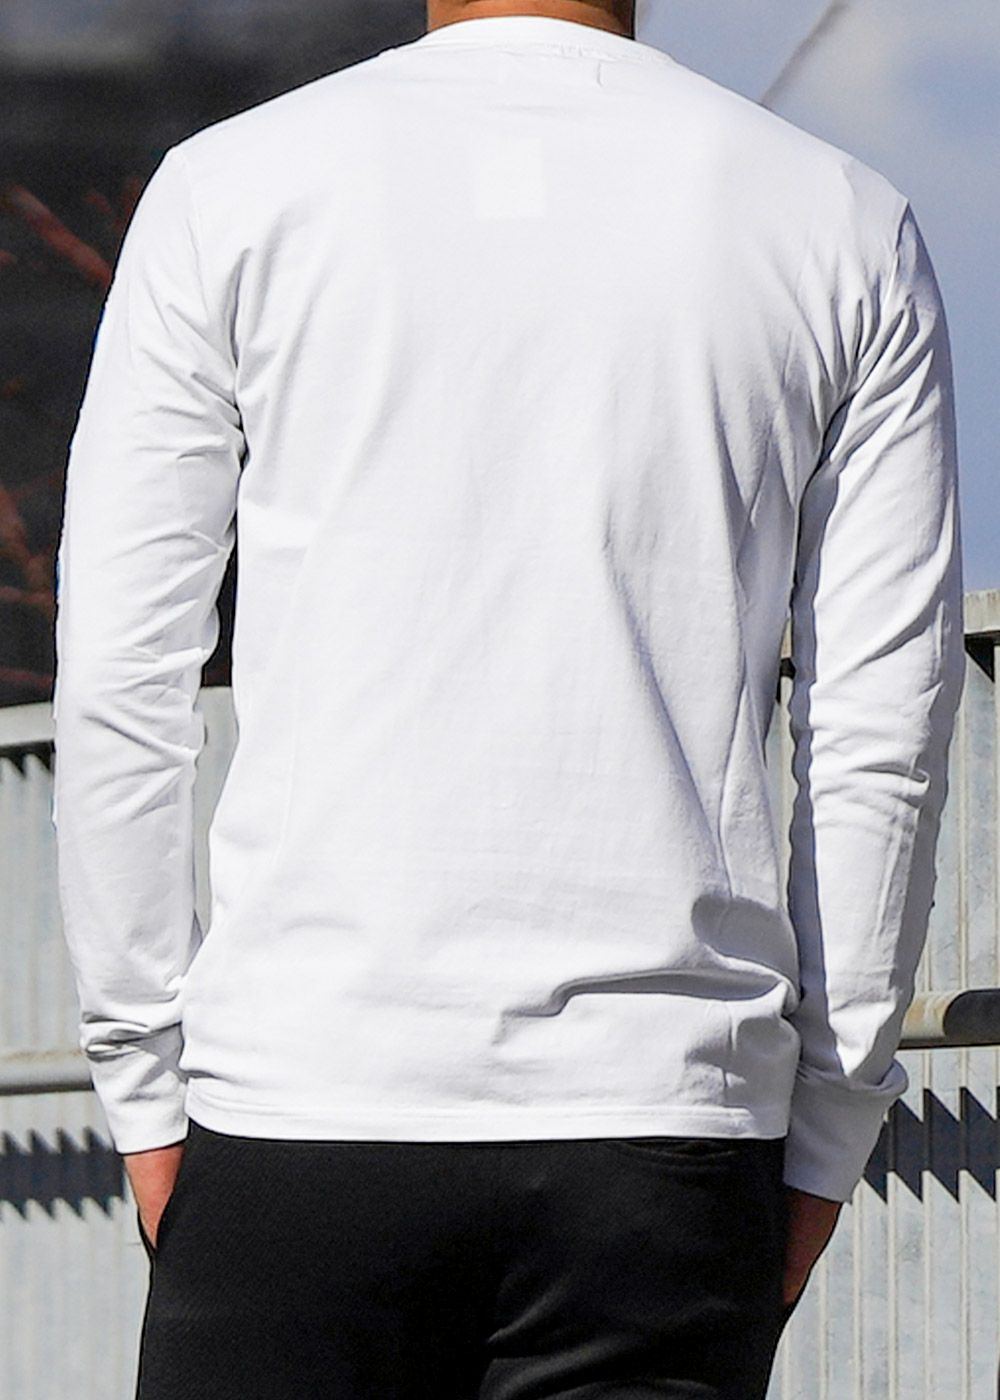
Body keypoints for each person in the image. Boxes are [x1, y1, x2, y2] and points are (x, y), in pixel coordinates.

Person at [50, 1, 964, 1396]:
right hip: (668, 1125)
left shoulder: (230, 187)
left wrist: (141, 1079)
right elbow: (881, 728)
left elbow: (124, 673)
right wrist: (829, 1127)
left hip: (302, 1102)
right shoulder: (840, 219)